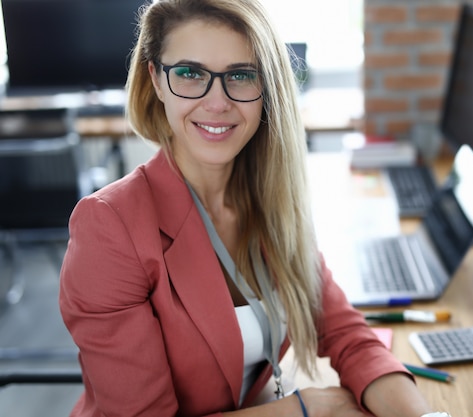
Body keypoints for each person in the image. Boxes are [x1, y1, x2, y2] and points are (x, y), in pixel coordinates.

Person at [59, 0, 448, 416]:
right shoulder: (110, 227)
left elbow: (349, 335)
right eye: (190, 74)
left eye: (241, 76)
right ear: (155, 79)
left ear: (267, 88)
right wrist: (306, 409)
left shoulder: (269, 199)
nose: (217, 102)